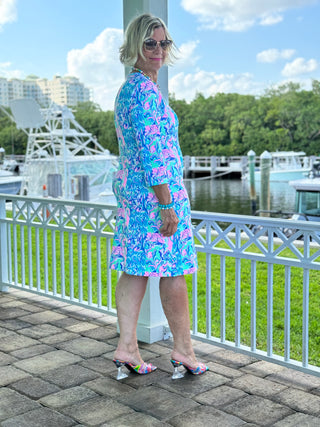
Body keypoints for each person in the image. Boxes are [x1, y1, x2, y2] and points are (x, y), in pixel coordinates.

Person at [110, 13, 208, 380]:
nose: (158, 50)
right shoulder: (144, 92)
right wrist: (167, 204)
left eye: (163, 43)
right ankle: (183, 350)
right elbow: (154, 153)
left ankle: (128, 347)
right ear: (135, 45)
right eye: (150, 43)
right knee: (175, 272)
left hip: (136, 195)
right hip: (154, 197)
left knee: (135, 270)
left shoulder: (130, 89)